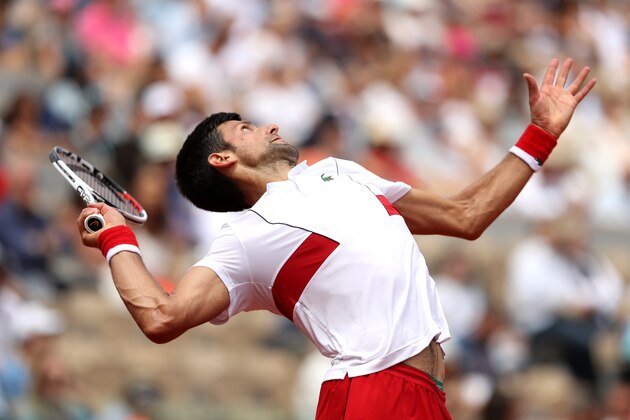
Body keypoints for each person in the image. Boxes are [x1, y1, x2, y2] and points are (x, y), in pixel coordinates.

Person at [76, 58, 595, 419]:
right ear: (223, 159)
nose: (270, 126)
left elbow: (467, 214)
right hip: (370, 396)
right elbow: (161, 318)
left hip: (426, 396)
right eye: (248, 128)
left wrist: (540, 135)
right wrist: (116, 237)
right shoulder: (247, 237)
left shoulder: (342, 173)